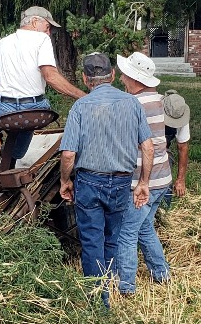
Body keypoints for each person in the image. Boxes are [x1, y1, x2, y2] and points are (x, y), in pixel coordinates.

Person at [0, 6, 86, 212]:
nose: (48, 32)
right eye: (47, 27)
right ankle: (11, 165)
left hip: (4, 108)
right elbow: (50, 76)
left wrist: (2, 91)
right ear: (34, 22)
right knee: (27, 123)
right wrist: (83, 97)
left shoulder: (2, 43)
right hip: (37, 107)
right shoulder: (42, 40)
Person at [59, 53, 153, 306]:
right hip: (121, 183)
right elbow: (147, 146)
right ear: (112, 75)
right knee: (112, 238)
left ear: (85, 79)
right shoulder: (133, 104)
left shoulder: (80, 106)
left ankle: (98, 300)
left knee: (92, 241)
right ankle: (109, 287)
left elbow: (69, 153)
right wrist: (143, 182)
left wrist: (64, 182)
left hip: (89, 182)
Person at [115, 53, 173, 295]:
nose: (121, 78)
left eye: (125, 74)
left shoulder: (133, 104)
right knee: (145, 227)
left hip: (143, 181)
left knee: (126, 233)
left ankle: (126, 286)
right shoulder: (158, 100)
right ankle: (161, 274)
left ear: (135, 79)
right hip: (163, 177)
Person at [162, 90, 190, 199]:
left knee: (166, 164)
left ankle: (163, 207)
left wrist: (180, 179)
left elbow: (182, 147)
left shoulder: (180, 110)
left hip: (164, 150)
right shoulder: (152, 108)